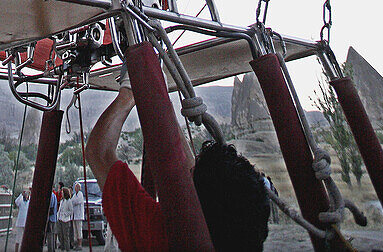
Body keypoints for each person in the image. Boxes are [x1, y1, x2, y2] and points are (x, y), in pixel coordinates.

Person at [87, 85, 270, 252]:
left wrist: (128, 94)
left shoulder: (164, 237)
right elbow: (192, 179)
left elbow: (99, 153)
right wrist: (159, 102)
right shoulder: (244, 231)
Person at [14, 187, 30, 252]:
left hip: (26, 222)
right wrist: (21, 194)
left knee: (25, 238)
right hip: (20, 222)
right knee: (18, 238)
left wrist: (29, 193)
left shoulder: (28, 202)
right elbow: (16, 202)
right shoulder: (21, 202)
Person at [71, 182, 85, 249]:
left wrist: (73, 202)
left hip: (79, 215)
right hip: (74, 215)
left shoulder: (80, 194)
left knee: (79, 230)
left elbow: (77, 201)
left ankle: (80, 244)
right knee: (75, 231)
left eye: (77, 187)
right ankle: (76, 244)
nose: (75, 188)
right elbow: (72, 202)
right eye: (75, 187)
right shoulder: (74, 195)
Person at [46, 186, 58, 251]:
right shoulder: (54, 196)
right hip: (54, 218)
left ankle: (50, 249)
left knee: (50, 235)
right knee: (53, 234)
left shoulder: (50, 196)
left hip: (50, 218)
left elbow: (50, 207)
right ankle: (53, 248)